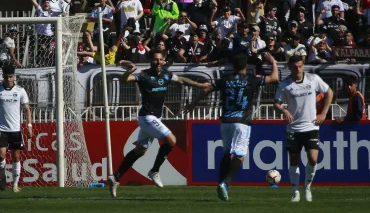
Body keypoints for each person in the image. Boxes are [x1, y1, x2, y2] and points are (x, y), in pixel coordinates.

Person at [107, 50, 208, 198]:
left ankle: (116, 177)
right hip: (147, 117)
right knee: (172, 140)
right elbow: (124, 80)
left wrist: (200, 86)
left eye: (161, 60)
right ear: (150, 61)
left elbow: (182, 79)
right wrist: (129, 71)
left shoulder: (166, 75)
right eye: (155, 60)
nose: (158, 62)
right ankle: (154, 171)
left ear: (164, 61)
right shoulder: (143, 75)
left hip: (155, 118)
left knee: (140, 150)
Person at [183, 52, 279, 201]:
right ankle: (225, 182)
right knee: (240, 156)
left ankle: (221, 183)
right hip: (242, 122)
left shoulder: (225, 80)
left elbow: (206, 89)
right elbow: (275, 78)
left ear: (232, 66)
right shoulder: (252, 80)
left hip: (226, 122)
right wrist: (272, 61)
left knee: (227, 154)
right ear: (246, 65)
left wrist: (193, 104)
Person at [274, 55, 333, 202]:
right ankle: (295, 192)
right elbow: (276, 103)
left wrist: (324, 112)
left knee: (313, 159)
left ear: (303, 65)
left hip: (311, 126)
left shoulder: (313, 79)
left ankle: (307, 187)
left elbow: (329, 92)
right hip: (293, 128)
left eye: (300, 66)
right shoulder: (285, 84)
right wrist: (284, 110)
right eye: (295, 66)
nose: (298, 69)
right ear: (290, 67)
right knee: (293, 160)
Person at [0, 65, 33, 193]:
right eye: (7, 77)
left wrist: (29, 126)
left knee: (16, 156)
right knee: (1, 155)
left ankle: (15, 184)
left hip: (16, 129)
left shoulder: (20, 91)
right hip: (1, 129)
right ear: (3, 76)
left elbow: (27, 110)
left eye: (11, 77)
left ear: (14, 76)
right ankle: (3, 177)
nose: (9, 79)